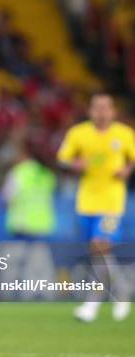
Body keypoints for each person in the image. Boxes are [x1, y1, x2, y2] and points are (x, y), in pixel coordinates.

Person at [57, 93, 134, 322]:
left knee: (100, 245)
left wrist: (128, 169)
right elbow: (62, 158)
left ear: (113, 111)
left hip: (111, 201)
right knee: (97, 252)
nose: (101, 112)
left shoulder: (124, 134)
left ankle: (92, 303)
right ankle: (122, 292)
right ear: (91, 111)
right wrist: (75, 163)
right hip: (87, 202)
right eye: (97, 108)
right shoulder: (79, 134)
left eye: (105, 108)